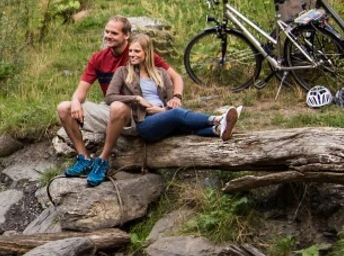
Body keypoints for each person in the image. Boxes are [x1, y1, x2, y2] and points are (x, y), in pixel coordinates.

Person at [95, 34, 240, 184]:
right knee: (177, 115)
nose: (132, 54)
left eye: (136, 51)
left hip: (164, 115)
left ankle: (217, 130)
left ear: (147, 52)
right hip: (145, 123)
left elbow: (172, 104)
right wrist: (136, 98)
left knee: (185, 124)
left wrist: (163, 110)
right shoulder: (123, 72)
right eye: (130, 51)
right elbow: (109, 97)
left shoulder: (161, 73)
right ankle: (217, 119)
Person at [56, 16, 182, 186]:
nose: (108, 36)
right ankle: (84, 159)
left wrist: (176, 97)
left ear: (126, 35)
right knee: (64, 108)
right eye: (107, 32)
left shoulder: (137, 52)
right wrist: (76, 101)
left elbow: (176, 77)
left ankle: (103, 161)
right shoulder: (98, 58)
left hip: (137, 113)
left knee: (117, 106)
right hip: (111, 107)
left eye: (114, 33)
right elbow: (81, 90)